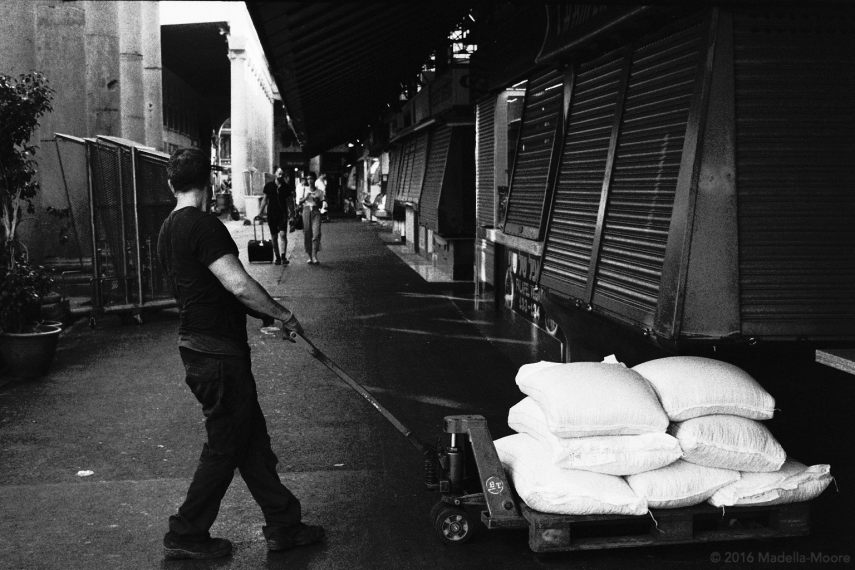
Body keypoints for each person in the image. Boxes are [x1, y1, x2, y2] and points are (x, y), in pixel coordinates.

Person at [156, 148, 325, 560]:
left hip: (200, 349)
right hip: (218, 357)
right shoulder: (204, 226)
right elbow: (236, 284)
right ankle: (186, 531)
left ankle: (284, 523)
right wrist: (282, 314)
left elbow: (207, 291)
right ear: (210, 182)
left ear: (171, 184)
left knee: (250, 442)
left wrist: (263, 319)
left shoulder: (167, 230)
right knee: (225, 445)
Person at [259, 166, 295, 265]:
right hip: (271, 214)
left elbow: (290, 202)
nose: (280, 175)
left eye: (282, 174)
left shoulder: (286, 187)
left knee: (283, 234)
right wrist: (260, 213)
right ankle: (278, 257)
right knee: (274, 237)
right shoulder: (269, 186)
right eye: (279, 173)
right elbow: (265, 200)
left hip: (283, 214)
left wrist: (292, 215)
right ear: (275, 173)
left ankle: (283, 256)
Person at [297, 172, 325, 264]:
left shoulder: (319, 191)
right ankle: (309, 256)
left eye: (311, 178)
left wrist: (317, 201)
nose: (310, 181)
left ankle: (314, 255)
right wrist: (306, 197)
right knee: (307, 234)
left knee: (316, 234)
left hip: (316, 211)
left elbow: (321, 204)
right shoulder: (303, 189)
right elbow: (299, 202)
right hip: (306, 211)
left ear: (314, 179)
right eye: (308, 179)